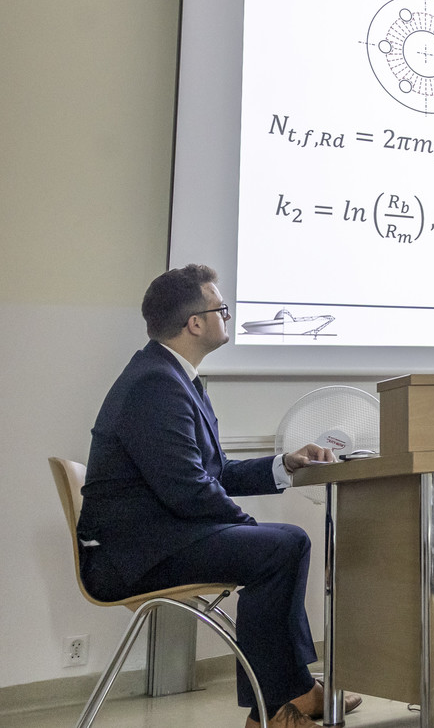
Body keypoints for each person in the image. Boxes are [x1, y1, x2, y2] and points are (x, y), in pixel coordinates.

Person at [77, 264, 356, 728]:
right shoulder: (155, 384)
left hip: (158, 540)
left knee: (282, 544)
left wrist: (285, 464)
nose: (228, 316)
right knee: (281, 546)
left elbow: (214, 472)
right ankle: (274, 710)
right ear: (195, 323)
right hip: (131, 556)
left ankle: (294, 695)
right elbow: (188, 490)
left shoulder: (173, 377)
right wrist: (246, 526)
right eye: (221, 309)